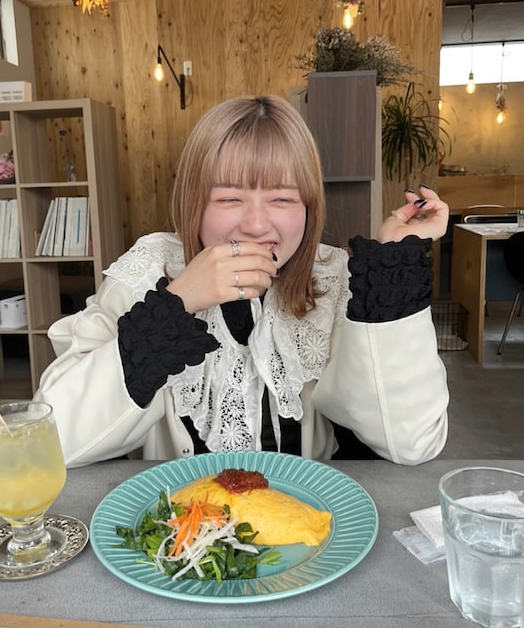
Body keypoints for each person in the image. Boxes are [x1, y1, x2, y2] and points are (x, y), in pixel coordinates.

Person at [34, 94, 449, 468]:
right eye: (229, 198)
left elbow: (409, 442)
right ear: (193, 202)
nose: (255, 224)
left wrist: (393, 263)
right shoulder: (146, 270)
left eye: (282, 198)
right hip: (177, 517)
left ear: (309, 207)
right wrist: (176, 305)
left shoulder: (336, 276)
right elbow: (50, 442)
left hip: (306, 517)